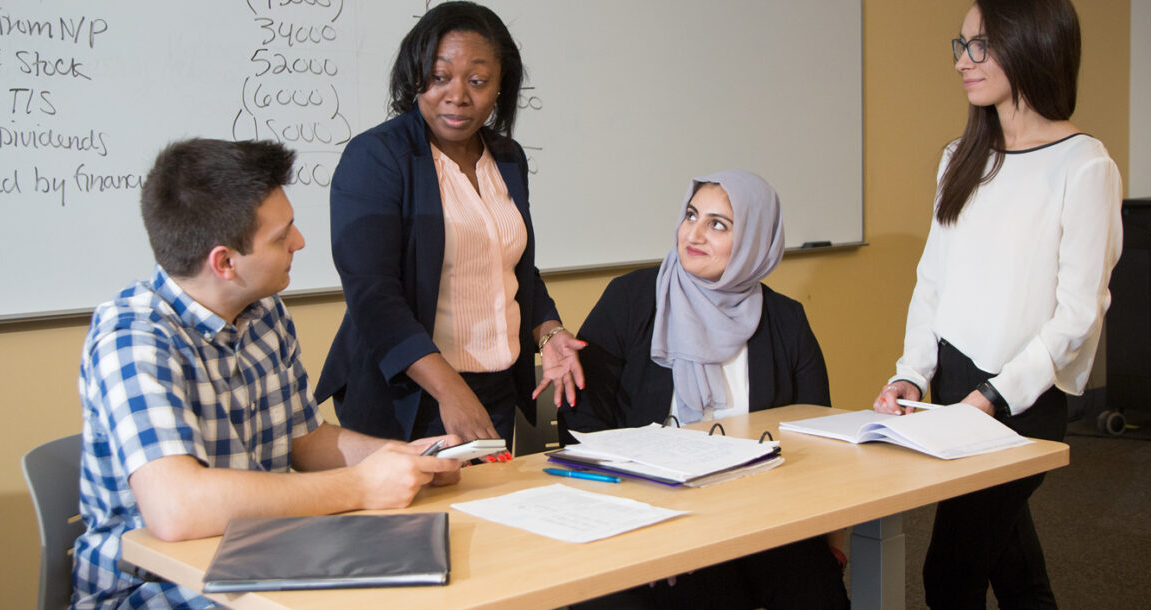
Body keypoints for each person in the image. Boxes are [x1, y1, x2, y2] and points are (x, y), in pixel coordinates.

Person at [73, 138, 463, 609]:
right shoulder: (132, 336)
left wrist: (401, 459)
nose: (299, 242)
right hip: (155, 584)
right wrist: (361, 485)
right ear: (225, 262)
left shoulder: (265, 313)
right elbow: (177, 509)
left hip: (265, 555)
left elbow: (306, 440)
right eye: (282, 236)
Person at [872, 0, 1122, 607]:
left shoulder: (1085, 165)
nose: (964, 61)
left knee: (949, 574)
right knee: (1012, 566)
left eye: (981, 45)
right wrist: (911, 372)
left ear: (1032, 44)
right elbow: (933, 278)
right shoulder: (958, 159)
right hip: (956, 382)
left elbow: (1079, 313)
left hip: (1021, 398)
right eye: (960, 46)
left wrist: (994, 397)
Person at [559, 170, 848, 610]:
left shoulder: (786, 321)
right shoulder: (631, 299)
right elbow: (581, 423)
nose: (694, 233)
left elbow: (814, 439)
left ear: (756, 241)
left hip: (760, 514)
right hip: (651, 509)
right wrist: (650, 524)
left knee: (815, 589)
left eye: (718, 224)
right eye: (691, 215)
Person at [316, 1, 584, 450]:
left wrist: (550, 332)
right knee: (419, 518)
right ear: (414, 77)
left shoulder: (508, 158)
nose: (457, 95)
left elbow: (510, 267)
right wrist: (450, 390)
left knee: (487, 516)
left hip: (495, 388)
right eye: (440, 77)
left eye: (477, 81)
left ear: (500, 86)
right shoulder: (377, 157)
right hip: (408, 393)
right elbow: (373, 294)